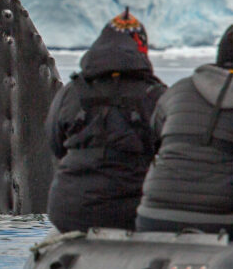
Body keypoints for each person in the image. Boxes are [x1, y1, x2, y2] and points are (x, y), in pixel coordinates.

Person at [135, 24, 233, 242]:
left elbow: (154, 136)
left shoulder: (179, 90)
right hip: (227, 219)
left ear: (219, 53)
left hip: (152, 214)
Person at [44, 12, 165, 232]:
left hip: (68, 211)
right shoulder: (155, 95)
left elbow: (54, 143)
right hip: (133, 213)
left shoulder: (71, 92)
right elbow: (170, 154)